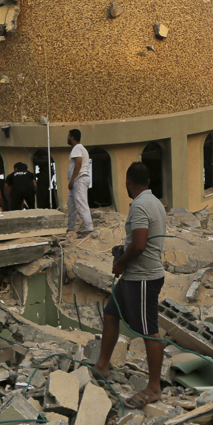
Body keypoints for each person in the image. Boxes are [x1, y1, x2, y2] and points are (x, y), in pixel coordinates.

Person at [93, 162, 165, 408]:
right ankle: (102, 365)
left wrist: (121, 262)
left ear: (128, 182)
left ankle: (154, 388)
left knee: (148, 330)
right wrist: (123, 251)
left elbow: (140, 244)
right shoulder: (153, 202)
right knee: (111, 314)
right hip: (133, 277)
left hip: (143, 277)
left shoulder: (140, 206)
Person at [65, 129, 92, 237]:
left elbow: (78, 164)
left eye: (68, 135)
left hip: (79, 180)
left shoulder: (77, 148)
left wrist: (72, 180)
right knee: (71, 204)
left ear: (72, 137)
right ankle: (70, 228)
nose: (67, 138)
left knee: (81, 203)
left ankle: (89, 229)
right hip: (78, 180)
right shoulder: (81, 148)